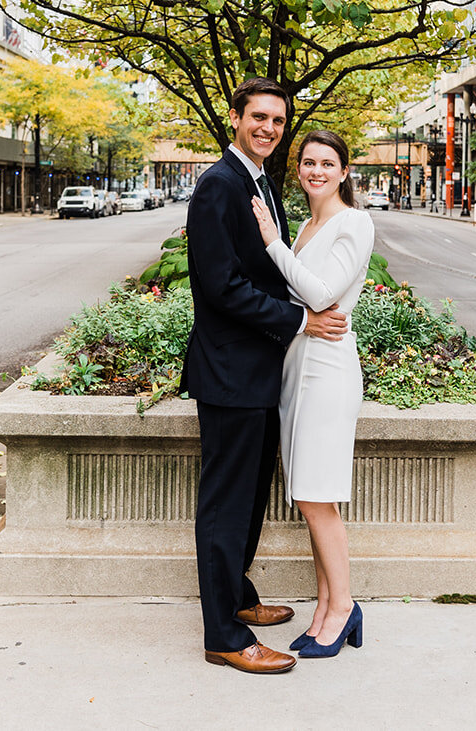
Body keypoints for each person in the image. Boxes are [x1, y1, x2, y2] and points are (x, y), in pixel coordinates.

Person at [182, 78, 349, 675]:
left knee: (251, 498)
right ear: (234, 118)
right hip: (229, 369)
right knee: (226, 505)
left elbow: (275, 267)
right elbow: (223, 288)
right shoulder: (218, 188)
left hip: (259, 370)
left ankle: (239, 600)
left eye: (277, 121)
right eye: (259, 118)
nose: (269, 129)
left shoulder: (259, 181)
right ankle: (224, 635)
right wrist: (300, 321)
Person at [249, 130, 372, 659]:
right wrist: (284, 242)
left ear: (345, 172)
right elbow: (300, 300)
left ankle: (342, 607)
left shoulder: (353, 222)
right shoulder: (307, 225)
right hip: (298, 367)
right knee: (306, 494)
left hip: (329, 369)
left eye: (328, 163)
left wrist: (271, 243)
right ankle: (326, 606)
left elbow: (323, 294)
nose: (316, 170)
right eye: (308, 162)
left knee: (317, 496)